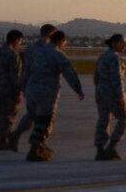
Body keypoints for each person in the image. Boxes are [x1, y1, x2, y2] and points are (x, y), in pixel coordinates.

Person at [19, 29, 84, 161]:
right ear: (61, 41)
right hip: (46, 92)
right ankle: (34, 149)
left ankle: (40, 146)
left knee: (37, 118)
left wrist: (23, 88)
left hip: (31, 90)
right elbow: (69, 74)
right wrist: (78, 90)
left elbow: (25, 70)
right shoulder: (58, 55)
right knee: (44, 120)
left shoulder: (36, 52)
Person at [0, 29, 27, 151]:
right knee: (8, 117)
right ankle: (4, 141)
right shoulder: (13, 55)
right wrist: (18, 92)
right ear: (17, 40)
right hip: (8, 91)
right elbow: (15, 76)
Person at [93, 33, 126, 160]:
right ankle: (112, 146)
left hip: (101, 92)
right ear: (114, 43)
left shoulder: (102, 57)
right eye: (122, 43)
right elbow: (117, 78)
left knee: (103, 119)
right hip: (112, 94)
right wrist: (120, 96)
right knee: (125, 118)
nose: (124, 45)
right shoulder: (114, 58)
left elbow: (96, 77)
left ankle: (100, 149)